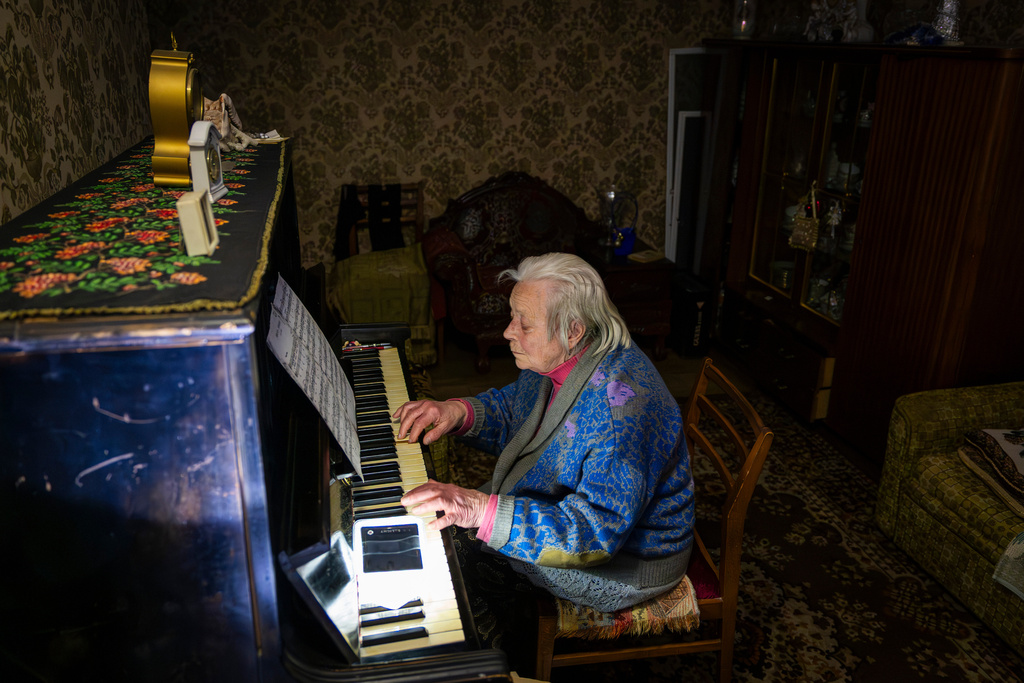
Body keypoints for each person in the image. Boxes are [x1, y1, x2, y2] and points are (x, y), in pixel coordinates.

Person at [393, 252, 694, 617]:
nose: (508, 332)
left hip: (624, 562)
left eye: (524, 324)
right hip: (569, 515)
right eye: (511, 317)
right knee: (443, 538)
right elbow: (519, 412)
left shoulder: (619, 415)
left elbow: (595, 535)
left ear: (573, 330)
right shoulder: (563, 355)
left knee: (454, 575)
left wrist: (481, 509)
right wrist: (458, 412)